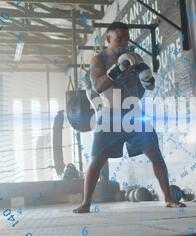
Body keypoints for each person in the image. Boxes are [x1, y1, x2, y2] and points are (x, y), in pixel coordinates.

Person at [73, 22, 186, 213]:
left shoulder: (134, 57)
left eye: (126, 38)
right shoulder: (98, 60)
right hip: (109, 116)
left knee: (155, 154)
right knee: (97, 160)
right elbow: (98, 87)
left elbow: (144, 87)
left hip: (134, 114)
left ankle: (168, 198)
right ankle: (86, 203)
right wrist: (117, 69)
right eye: (119, 39)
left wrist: (147, 80)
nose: (124, 42)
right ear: (108, 39)